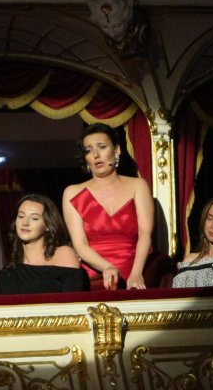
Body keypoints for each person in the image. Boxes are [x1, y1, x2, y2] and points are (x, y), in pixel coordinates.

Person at [62, 122, 153, 290]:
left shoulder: (138, 186)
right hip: (94, 276)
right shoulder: (72, 192)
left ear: (117, 150)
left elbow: (145, 233)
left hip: (135, 271)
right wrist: (107, 267)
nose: (96, 155)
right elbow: (80, 245)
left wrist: (136, 273)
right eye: (88, 150)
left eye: (102, 147)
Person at [0, 193, 90, 295]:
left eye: (34, 218)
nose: (25, 223)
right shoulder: (5, 275)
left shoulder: (64, 254)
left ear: (48, 225)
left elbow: (75, 299)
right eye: (21, 216)